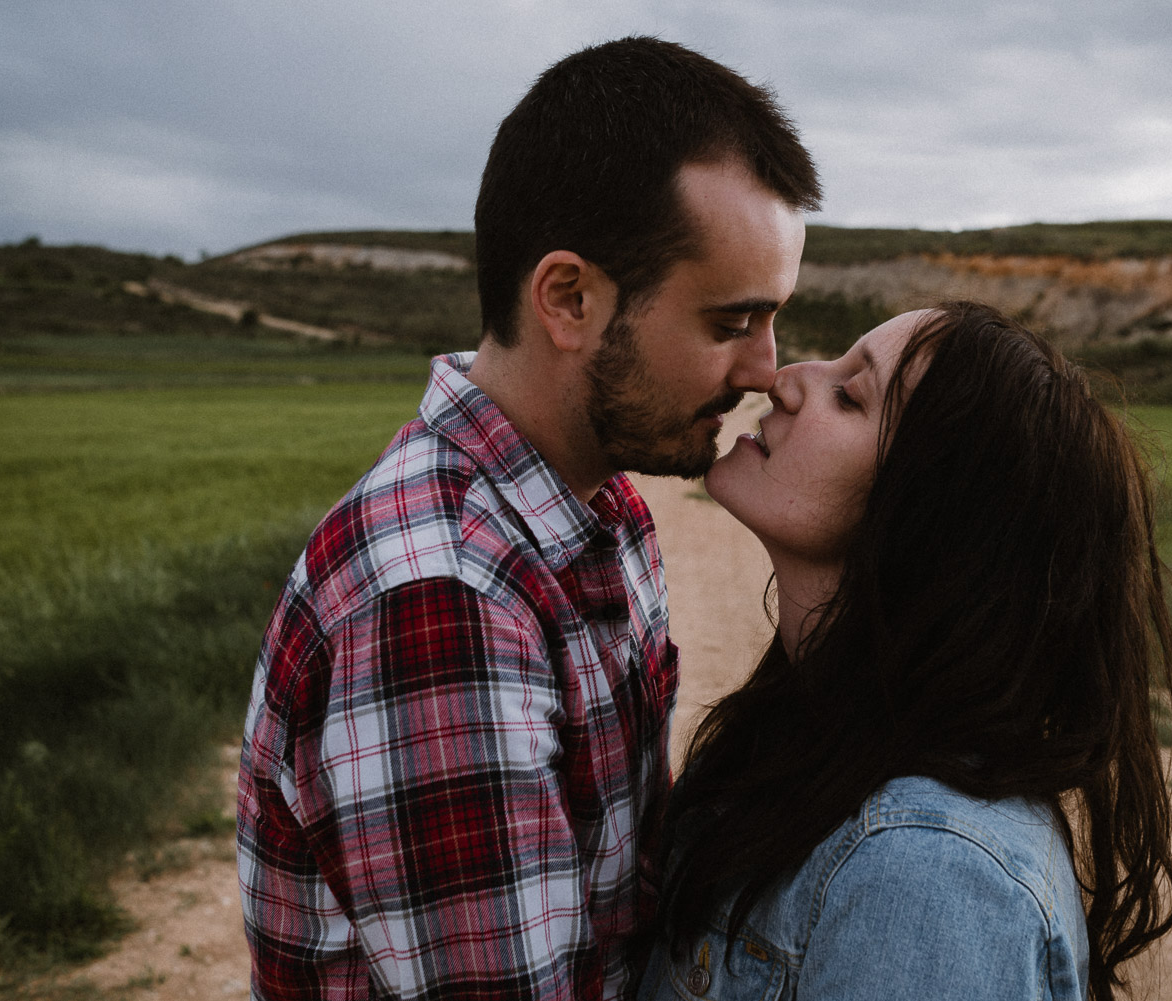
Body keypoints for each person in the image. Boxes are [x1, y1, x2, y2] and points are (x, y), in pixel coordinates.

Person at [236, 36, 820, 1001]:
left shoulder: (595, 500)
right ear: (570, 298)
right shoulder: (441, 604)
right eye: (731, 323)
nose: (766, 370)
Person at [636, 302, 1172, 1001]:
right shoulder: (796, 743)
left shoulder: (925, 868)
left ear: (928, 516)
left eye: (849, 395)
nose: (784, 380)